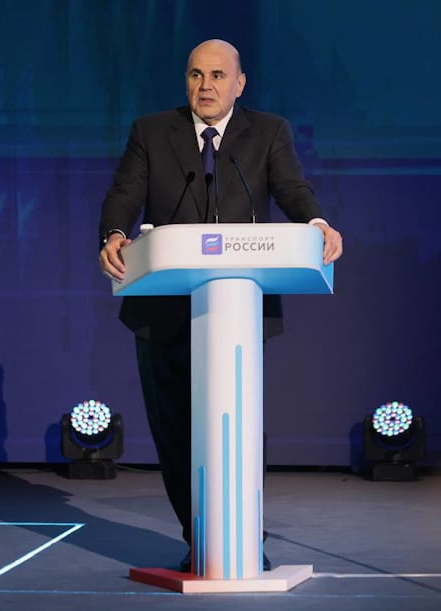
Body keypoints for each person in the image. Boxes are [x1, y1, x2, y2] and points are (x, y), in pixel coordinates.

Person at [97, 39, 343, 572]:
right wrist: (114, 232)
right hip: (162, 307)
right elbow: (126, 192)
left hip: (237, 307)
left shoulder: (268, 131)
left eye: (216, 75)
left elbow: (292, 188)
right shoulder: (151, 131)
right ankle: (200, 535)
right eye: (195, 75)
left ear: (239, 83)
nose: (205, 86)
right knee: (174, 431)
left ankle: (243, 535)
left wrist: (317, 222)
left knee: (237, 424)